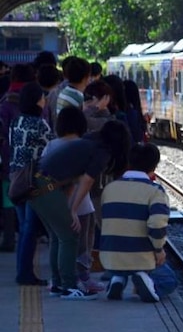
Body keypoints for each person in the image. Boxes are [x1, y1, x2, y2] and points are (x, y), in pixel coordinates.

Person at [29, 120, 131, 300]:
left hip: (38, 183)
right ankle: (68, 287)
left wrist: (68, 208)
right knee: (69, 236)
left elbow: (71, 180)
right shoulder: (102, 152)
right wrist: (73, 211)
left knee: (58, 236)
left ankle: (58, 284)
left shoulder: (89, 142)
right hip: (46, 186)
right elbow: (86, 181)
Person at [99, 143, 176, 302]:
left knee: (123, 264)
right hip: (140, 256)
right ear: (154, 166)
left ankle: (118, 279)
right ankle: (144, 279)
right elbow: (156, 225)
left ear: (129, 163)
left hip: (110, 256)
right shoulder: (155, 191)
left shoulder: (110, 188)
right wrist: (158, 250)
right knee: (169, 281)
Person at [40, 106, 100, 293]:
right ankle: (78, 280)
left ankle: (56, 280)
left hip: (53, 203)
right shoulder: (83, 146)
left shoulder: (51, 145)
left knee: (56, 241)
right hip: (80, 204)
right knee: (80, 245)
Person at [8, 81, 55, 286]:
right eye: (43, 98)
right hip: (33, 182)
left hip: (16, 179)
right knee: (29, 229)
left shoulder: (16, 121)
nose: (45, 101)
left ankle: (23, 270)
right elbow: (51, 149)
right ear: (37, 101)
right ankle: (25, 274)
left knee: (25, 228)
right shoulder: (40, 124)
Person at [0, 63, 36, 253]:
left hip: (9, 161)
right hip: (34, 165)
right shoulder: (36, 99)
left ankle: (9, 238)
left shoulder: (5, 102)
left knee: (9, 200)